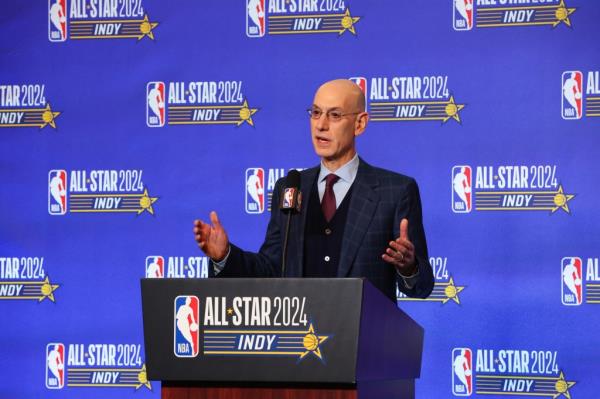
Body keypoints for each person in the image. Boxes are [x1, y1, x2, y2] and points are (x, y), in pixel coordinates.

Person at [193, 79, 433, 301]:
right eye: (316, 113)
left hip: (363, 341)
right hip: (298, 339)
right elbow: (270, 269)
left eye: (335, 115)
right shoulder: (290, 188)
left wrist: (409, 267)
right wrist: (225, 256)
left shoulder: (395, 191)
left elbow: (423, 286)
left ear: (360, 124)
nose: (321, 125)